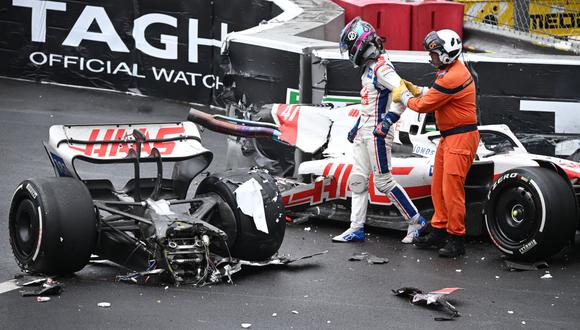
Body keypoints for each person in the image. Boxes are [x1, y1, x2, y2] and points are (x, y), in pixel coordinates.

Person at [332, 17, 427, 244]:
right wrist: (356, 127)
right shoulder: (370, 68)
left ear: (360, 46)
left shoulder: (382, 68)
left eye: (351, 49)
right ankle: (356, 228)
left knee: (383, 182)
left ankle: (416, 221)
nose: (349, 55)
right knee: (357, 179)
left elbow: (403, 93)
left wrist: (388, 121)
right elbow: (368, 104)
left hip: (377, 133)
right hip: (366, 130)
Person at [393, 29, 479, 257]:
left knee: (452, 190)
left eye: (434, 54)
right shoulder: (449, 71)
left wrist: (403, 94)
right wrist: (417, 90)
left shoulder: (453, 76)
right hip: (451, 137)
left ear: (447, 54)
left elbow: (422, 106)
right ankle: (440, 228)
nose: (431, 58)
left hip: (460, 138)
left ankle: (456, 238)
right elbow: (435, 94)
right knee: (439, 187)